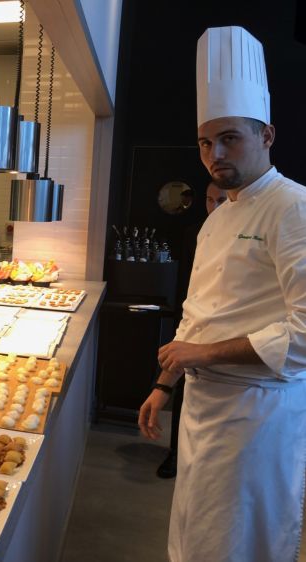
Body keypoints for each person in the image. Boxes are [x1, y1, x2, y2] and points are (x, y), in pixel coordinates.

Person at [138, 26, 306, 561]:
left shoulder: (293, 208)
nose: (214, 153)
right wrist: (164, 386)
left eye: (230, 137)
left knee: (235, 544)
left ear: (267, 135)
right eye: (206, 142)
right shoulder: (219, 217)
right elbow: (198, 317)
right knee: (193, 536)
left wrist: (202, 355)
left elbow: (304, 336)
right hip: (204, 411)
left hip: (256, 418)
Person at [156, 181, 227, 479]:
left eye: (221, 200)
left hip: (226, 342)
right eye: (210, 200)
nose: (214, 207)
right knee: (183, 392)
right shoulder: (195, 233)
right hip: (190, 323)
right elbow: (188, 285)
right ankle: (175, 452)